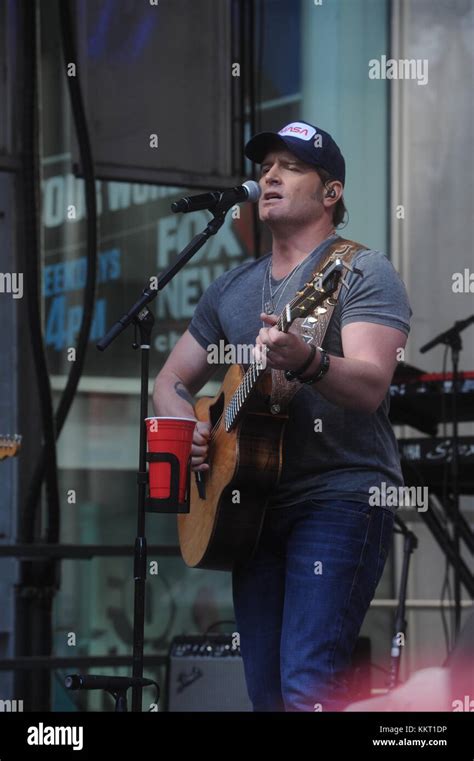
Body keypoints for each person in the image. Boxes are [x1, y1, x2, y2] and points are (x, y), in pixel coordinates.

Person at [153, 120, 411, 711]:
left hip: (340, 496)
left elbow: (371, 384)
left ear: (331, 193)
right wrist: (193, 427)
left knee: (308, 686)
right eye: (266, 166)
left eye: (290, 167)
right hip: (249, 503)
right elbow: (170, 381)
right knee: (266, 694)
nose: (269, 175)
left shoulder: (362, 271)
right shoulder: (230, 290)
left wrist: (311, 361)